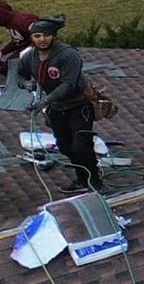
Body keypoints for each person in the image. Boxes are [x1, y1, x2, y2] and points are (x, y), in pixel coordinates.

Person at [17, 18, 99, 193]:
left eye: (46, 35)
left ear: (54, 36)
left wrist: (44, 102)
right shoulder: (29, 56)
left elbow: (68, 84)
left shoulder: (68, 55)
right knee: (65, 147)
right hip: (57, 107)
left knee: (82, 146)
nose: (41, 39)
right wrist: (26, 84)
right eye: (37, 36)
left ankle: (94, 181)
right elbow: (19, 76)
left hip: (79, 104)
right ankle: (82, 178)